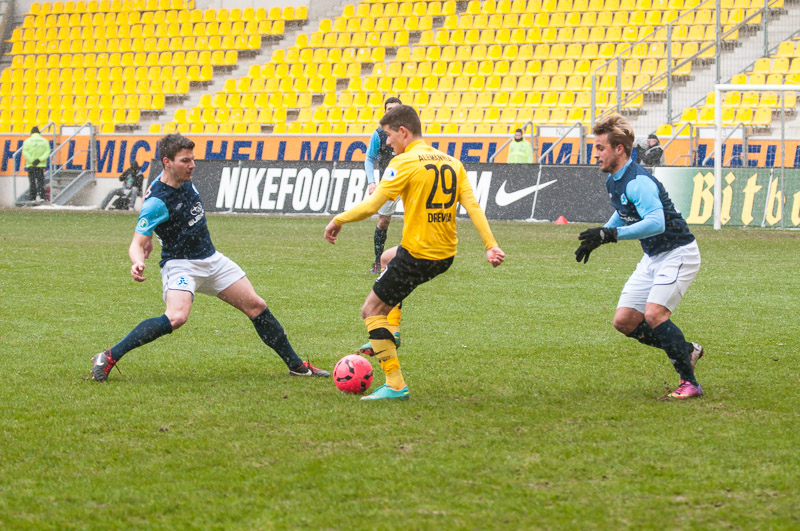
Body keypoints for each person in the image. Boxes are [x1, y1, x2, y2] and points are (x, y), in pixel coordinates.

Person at [91, 134, 329, 382]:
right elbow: (136, 243)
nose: (192, 165)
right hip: (181, 265)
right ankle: (107, 357)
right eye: (185, 161)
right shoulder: (156, 201)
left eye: (193, 159)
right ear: (167, 162)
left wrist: (152, 235)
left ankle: (297, 366)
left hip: (212, 260)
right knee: (176, 317)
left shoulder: (183, 180)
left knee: (256, 306)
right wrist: (137, 261)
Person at [325, 105, 505, 400]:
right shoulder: (452, 162)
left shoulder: (404, 162)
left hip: (418, 255)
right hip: (444, 255)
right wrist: (490, 244)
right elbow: (472, 206)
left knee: (370, 310)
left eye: (388, 135)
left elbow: (373, 205)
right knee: (387, 258)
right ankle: (393, 331)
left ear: (403, 132)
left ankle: (395, 384)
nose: (387, 142)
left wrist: (338, 219)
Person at [575, 114, 704, 400]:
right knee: (624, 321)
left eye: (600, 148)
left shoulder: (638, 182)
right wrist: (601, 235)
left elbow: (656, 223)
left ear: (619, 149)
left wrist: (611, 235)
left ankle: (690, 383)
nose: (595, 154)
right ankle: (686, 350)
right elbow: (623, 212)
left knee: (655, 314)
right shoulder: (614, 180)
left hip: (678, 252)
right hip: (653, 256)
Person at [364, 96, 403, 273]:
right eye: (389, 109)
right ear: (385, 112)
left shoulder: (409, 132)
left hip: (410, 182)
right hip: (390, 183)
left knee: (419, 219)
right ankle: (378, 261)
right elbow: (369, 158)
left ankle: (422, 259)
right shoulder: (379, 134)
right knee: (383, 221)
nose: (393, 112)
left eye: (396, 109)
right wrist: (372, 182)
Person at [22, 126, 50, 202]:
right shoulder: (44, 141)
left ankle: (32, 197)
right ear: (39, 133)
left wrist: (32, 160)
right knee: (40, 181)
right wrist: (39, 160)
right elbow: (47, 152)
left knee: (32, 182)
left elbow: (25, 152)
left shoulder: (27, 141)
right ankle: (42, 197)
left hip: (31, 165)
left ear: (31, 133)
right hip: (40, 165)